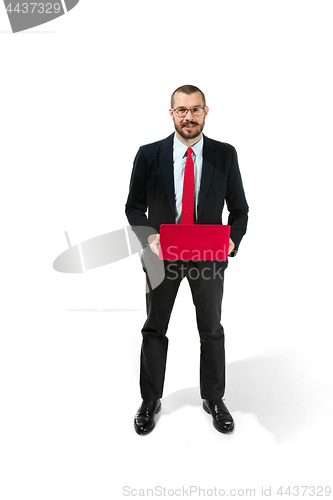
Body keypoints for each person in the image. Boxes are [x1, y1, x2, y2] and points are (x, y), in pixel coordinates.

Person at [125, 85, 248, 435]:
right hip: (161, 257)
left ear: (206, 112)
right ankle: (150, 399)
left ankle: (213, 398)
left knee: (211, 330)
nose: (188, 116)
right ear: (171, 114)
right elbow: (133, 207)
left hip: (209, 257)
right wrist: (150, 236)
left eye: (195, 109)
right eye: (182, 110)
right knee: (154, 328)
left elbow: (239, 210)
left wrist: (232, 242)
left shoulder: (224, 155)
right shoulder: (149, 154)